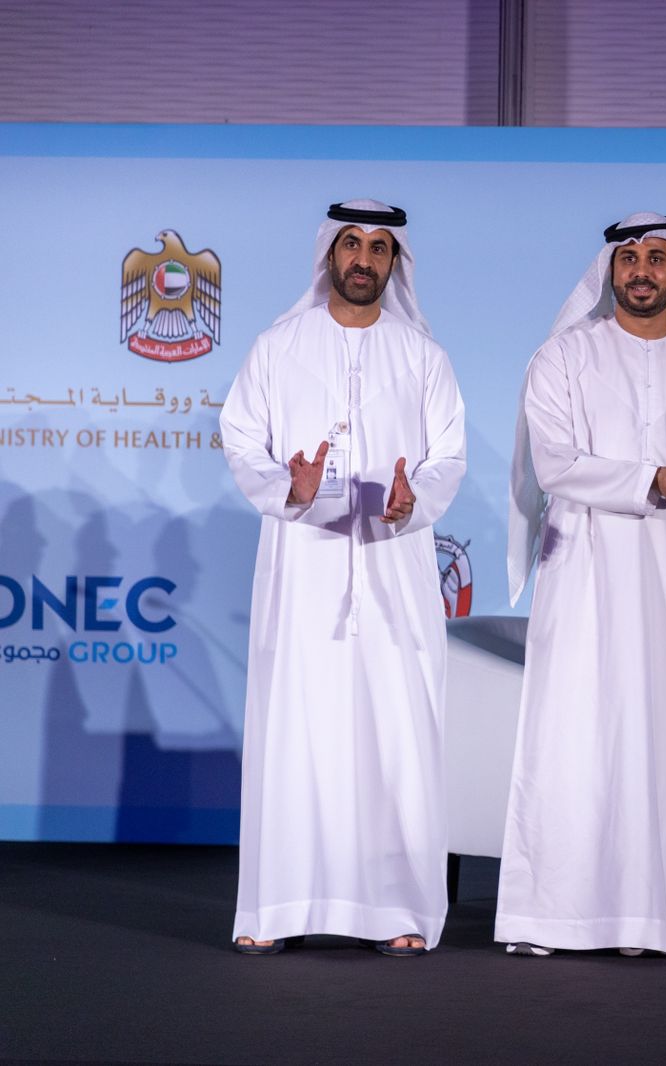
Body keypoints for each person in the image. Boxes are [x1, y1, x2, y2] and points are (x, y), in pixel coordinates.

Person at [220, 199, 467, 957]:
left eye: (379, 247)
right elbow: (242, 439)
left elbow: (448, 455)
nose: (364, 259)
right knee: (296, 729)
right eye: (352, 244)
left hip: (394, 570)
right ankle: (277, 907)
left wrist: (414, 499)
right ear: (330, 253)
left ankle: (397, 910)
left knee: (395, 732)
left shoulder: (422, 355)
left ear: (395, 262)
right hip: (303, 569)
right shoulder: (278, 346)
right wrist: (289, 488)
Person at [500, 212, 666, 957]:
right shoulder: (563, 357)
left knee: (665, 736)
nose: (641, 271)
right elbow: (556, 466)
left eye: (657, 259)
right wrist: (651, 480)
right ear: (610, 271)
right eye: (629, 259)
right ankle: (550, 916)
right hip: (583, 571)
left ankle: (644, 917)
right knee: (574, 733)